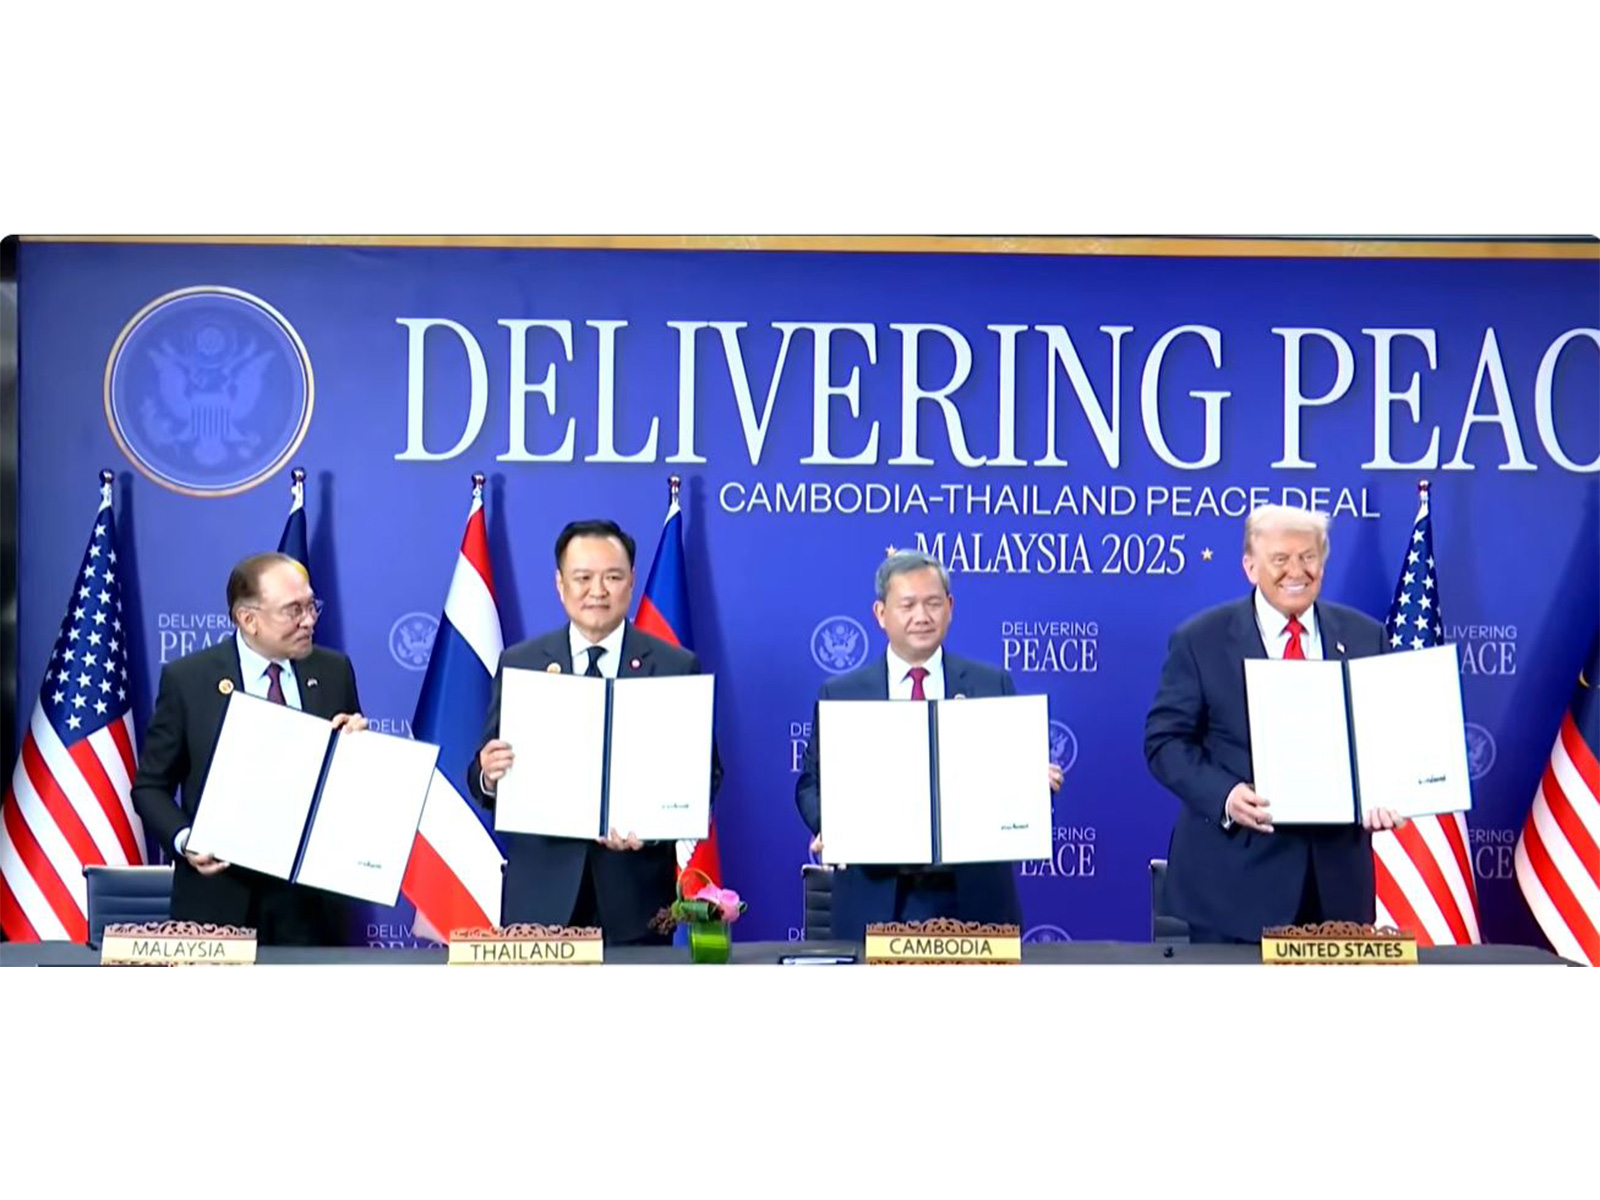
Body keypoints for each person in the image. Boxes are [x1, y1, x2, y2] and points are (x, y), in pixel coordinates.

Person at [1144, 505, 1402, 943]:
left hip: (1335, 889)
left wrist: (1384, 790)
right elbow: (1164, 742)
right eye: (1280, 559)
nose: (1296, 571)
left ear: (1324, 561)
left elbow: (1385, 737)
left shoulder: (1366, 636)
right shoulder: (1200, 640)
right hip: (1232, 887)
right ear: (1250, 566)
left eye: (1308, 557)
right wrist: (1224, 795)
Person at [469, 519, 719, 944]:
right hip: (540, 897)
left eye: (612, 577)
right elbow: (480, 776)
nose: (597, 591)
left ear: (632, 581)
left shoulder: (675, 665)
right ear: (560, 584)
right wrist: (487, 774)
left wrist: (654, 827)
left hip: (634, 899)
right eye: (583, 578)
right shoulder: (521, 662)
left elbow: (706, 775)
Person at [795, 549, 1063, 940]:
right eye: (907, 605)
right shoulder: (842, 693)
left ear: (950, 608)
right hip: (876, 895)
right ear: (880, 614)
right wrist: (832, 824)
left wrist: (1032, 784)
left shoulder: (992, 685)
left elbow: (1014, 779)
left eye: (933, 603)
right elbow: (810, 785)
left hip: (975, 898)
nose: (922, 616)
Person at [132, 552, 367, 944]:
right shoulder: (189, 680)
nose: (308, 620)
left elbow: (349, 791)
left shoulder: (333, 671)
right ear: (248, 619)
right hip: (218, 904)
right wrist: (185, 839)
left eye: (311, 605)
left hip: (311, 910)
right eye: (293, 610)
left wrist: (357, 749)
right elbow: (150, 787)